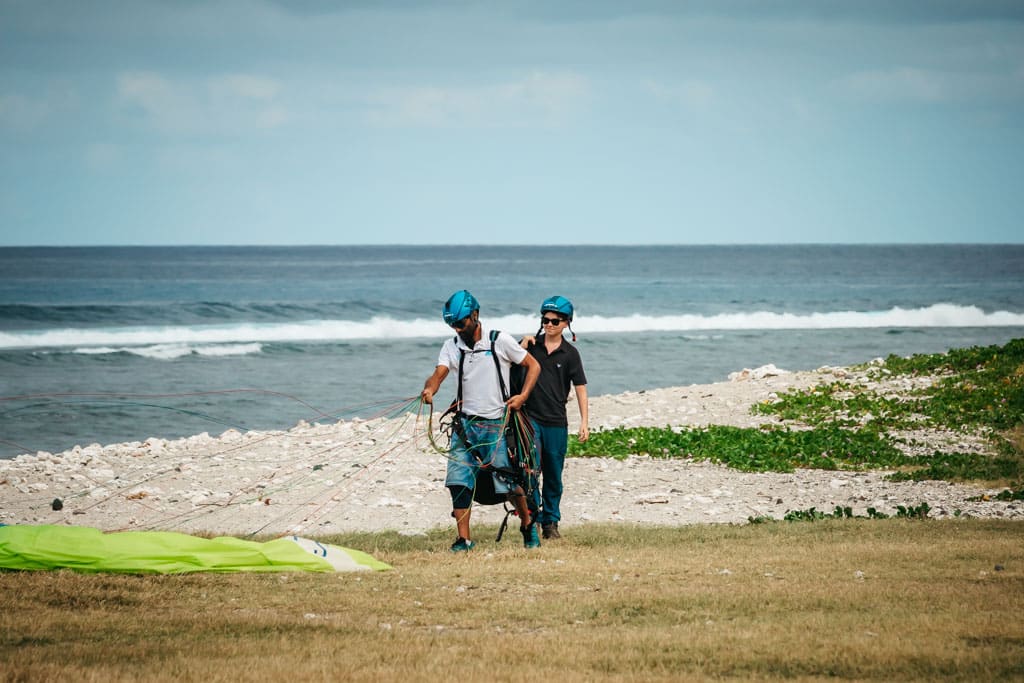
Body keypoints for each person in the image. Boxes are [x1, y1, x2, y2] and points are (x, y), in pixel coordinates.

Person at [421, 290, 542, 552]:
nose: (457, 328)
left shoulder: (500, 341)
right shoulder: (451, 346)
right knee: (458, 481)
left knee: (509, 483)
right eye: (452, 324)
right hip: (464, 427)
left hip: (498, 425)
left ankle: (527, 524)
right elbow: (438, 375)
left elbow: (534, 366)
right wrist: (430, 390)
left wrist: (522, 396)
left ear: (475, 315)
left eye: (461, 323)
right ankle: (463, 539)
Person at [520, 295, 589, 540]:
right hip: (530, 419)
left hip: (557, 422)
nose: (549, 324)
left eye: (555, 321)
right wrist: (520, 346)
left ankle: (551, 522)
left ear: (566, 323)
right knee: (530, 471)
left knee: (553, 475)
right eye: (545, 320)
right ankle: (534, 519)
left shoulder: (571, 354)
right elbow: (505, 365)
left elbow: (580, 387)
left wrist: (584, 422)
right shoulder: (530, 346)